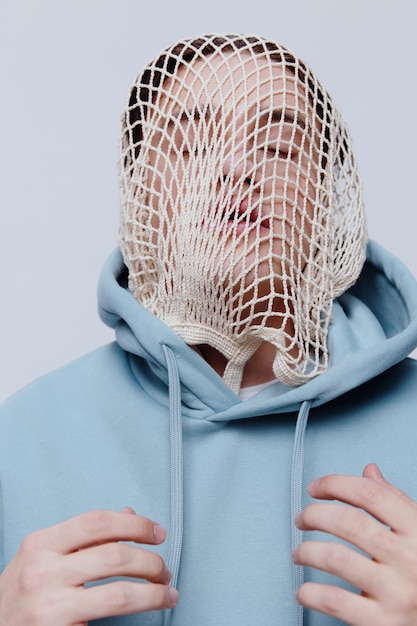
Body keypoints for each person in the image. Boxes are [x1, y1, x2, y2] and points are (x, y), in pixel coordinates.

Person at [1, 33, 417, 626]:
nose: (237, 166)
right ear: (140, 188)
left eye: (278, 145)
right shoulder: (18, 439)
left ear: (328, 200)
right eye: (193, 141)